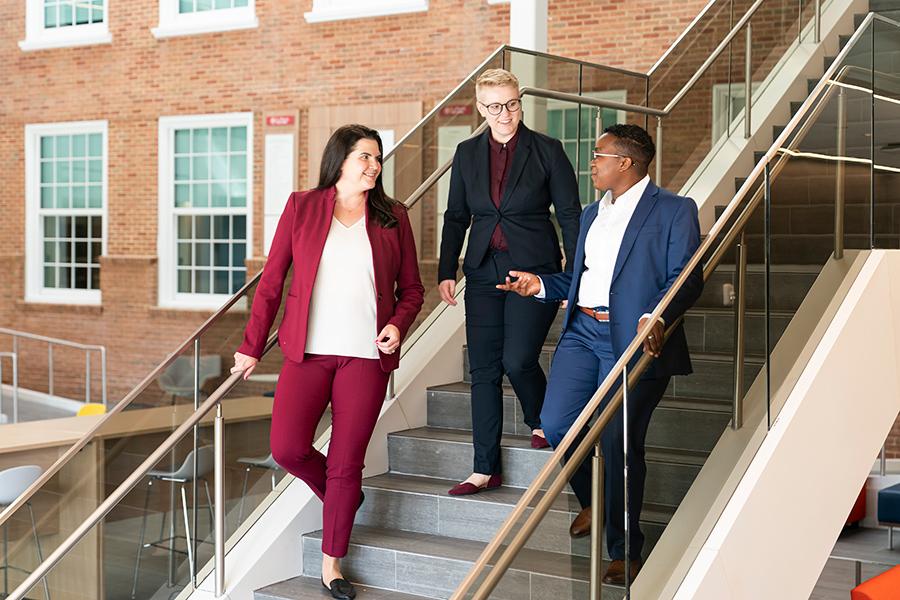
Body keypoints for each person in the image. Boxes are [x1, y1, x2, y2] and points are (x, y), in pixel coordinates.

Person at [497, 123, 702, 585]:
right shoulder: (592, 214)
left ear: (625, 162)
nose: (592, 162)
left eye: (599, 155)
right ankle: (599, 497)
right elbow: (581, 275)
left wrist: (657, 316)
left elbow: (686, 276)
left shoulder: (673, 210)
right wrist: (542, 284)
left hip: (632, 337)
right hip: (582, 331)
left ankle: (624, 549)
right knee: (556, 424)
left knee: (619, 444)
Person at [231, 124, 424, 600]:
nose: (374, 166)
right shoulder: (302, 207)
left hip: (364, 359)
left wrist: (398, 324)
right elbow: (272, 282)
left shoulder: (392, 216)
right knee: (288, 447)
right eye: (365, 157)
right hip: (307, 354)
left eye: (377, 158)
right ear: (340, 160)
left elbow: (413, 290)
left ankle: (332, 565)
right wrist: (252, 344)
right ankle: (345, 499)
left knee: (345, 463)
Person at [437, 68, 582, 496]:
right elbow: (456, 216)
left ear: (521, 102)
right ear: (481, 108)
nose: (505, 113)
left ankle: (540, 418)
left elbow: (570, 215)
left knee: (518, 359)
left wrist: (570, 277)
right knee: (483, 369)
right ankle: (484, 468)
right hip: (482, 267)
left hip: (534, 267)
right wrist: (447, 270)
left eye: (512, 103)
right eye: (496, 106)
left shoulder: (548, 150)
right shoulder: (465, 153)